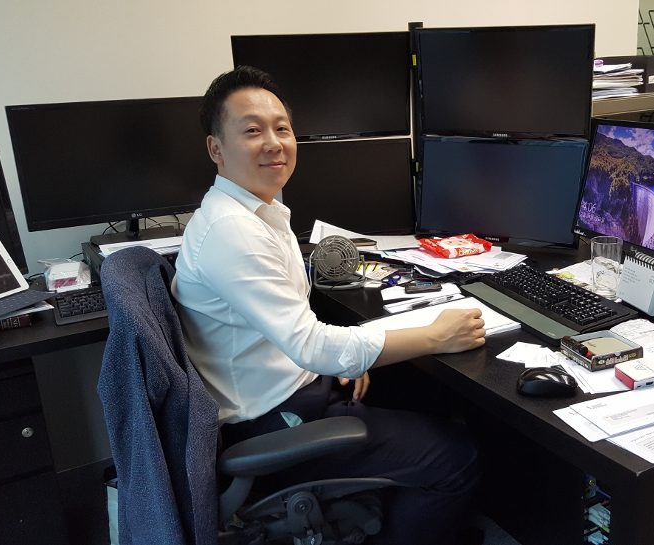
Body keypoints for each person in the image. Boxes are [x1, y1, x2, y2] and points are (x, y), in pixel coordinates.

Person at [171, 65, 486, 545]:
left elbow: (296, 331)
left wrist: (342, 358)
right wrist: (435, 335)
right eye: (252, 131)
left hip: (287, 388)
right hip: (271, 423)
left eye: (282, 128)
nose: (274, 143)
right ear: (216, 148)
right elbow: (312, 345)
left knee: (425, 395)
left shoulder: (254, 212)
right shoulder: (232, 232)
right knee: (457, 455)